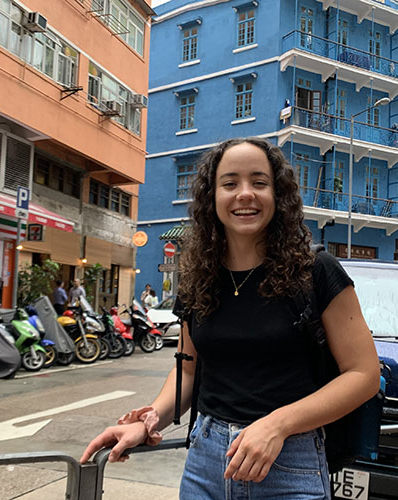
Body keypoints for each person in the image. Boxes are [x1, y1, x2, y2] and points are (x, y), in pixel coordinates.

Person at [80, 137, 381, 499]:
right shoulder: (198, 276)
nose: (244, 194)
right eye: (230, 183)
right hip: (207, 462)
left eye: (259, 182)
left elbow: (364, 375)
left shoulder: (316, 271)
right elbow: (189, 369)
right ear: (213, 197)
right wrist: (149, 421)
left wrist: (278, 425)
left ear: (278, 195)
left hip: (289, 461)